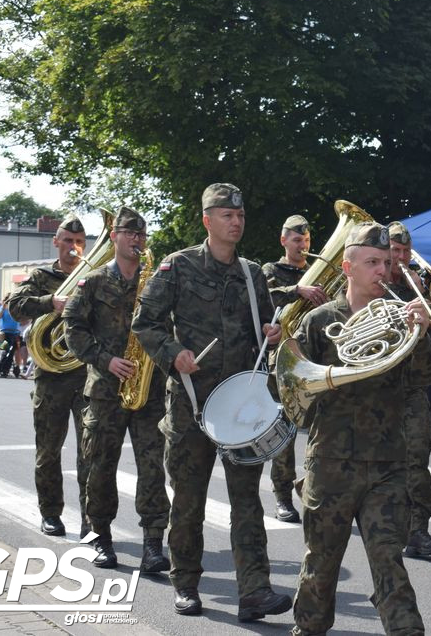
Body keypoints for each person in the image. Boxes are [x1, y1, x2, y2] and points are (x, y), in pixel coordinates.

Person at [132, 183, 291, 622]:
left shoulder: (251, 272)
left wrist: (272, 335)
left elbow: (264, 330)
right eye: (226, 215)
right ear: (207, 220)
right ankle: (186, 583)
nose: (235, 222)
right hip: (192, 405)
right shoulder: (178, 266)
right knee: (189, 499)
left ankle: (255, 592)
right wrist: (172, 353)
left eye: (239, 216)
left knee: (246, 501)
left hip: (242, 406)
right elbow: (145, 323)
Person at [287, 221, 431, 635]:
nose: (383, 271)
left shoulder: (401, 319)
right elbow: (292, 386)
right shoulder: (320, 321)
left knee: (389, 560)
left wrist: (425, 333)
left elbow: (428, 376)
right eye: (373, 262)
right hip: (331, 462)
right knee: (321, 564)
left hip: (388, 464)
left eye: (388, 263)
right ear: (348, 267)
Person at [63, 207, 171, 573]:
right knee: (100, 468)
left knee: (153, 467)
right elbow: (72, 326)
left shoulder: (154, 282)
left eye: (141, 234)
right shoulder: (92, 282)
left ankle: (154, 546)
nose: (136, 239)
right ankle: (101, 540)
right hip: (106, 391)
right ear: (114, 237)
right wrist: (105, 359)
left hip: (148, 392)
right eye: (129, 233)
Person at [8, 214, 90, 538]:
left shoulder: (92, 278)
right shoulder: (41, 277)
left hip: (85, 375)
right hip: (51, 377)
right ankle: (51, 513)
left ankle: (91, 519)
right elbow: (15, 306)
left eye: (79, 242)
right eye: (68, 241)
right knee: (48, 450)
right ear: (56, 242)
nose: (73, 247)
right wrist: (50, 302)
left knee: (91, 452)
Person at [386, 220, 431, 557]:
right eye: (396, 250)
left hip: (412, 386)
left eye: (406, 251)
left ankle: (418, 529)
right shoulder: (372, 283)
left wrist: (427, 302)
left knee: (417, 459)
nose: (402, 257)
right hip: (376, 387)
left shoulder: (417, 287)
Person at [262, 214, 326, 524]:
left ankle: (312, 488)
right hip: (284, 359)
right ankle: (282, 496)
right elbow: (266, 299)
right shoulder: (271, 271)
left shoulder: (318, 274)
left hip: (315, 358)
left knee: (323, 431)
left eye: (307, 241)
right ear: (284, 240)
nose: (303, 246)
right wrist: (298, 290)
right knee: (284, 432)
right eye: (297, 240)